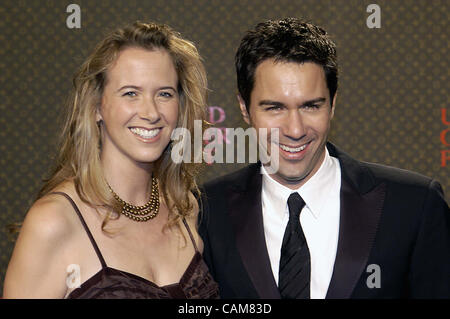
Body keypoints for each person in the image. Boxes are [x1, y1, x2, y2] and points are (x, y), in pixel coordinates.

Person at [199, 17, 450, 299]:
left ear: (333, 104)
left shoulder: (414, 206)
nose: (295, 130)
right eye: (275, 108)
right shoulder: (207, 211)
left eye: (311, 106)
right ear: (244, 109)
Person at [3, 21, 219, 299]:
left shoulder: (185, 208)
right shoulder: (54, 221)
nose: (151, 112)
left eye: (164, 94)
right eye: (131, 93)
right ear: (96, 107)